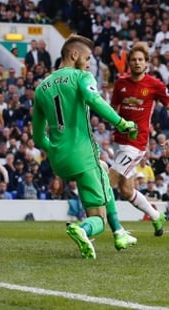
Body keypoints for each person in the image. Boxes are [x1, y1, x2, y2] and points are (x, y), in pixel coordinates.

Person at [32, 34, 140, 260]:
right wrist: (122, 123)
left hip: (58, 160)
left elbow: (38, 137)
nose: (90, 63)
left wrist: (54, 149)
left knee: (103, 168)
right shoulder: (82, 76)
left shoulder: (41, 88)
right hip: (82, 154)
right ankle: (84, 229)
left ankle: (119, 232)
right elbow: (94, 100)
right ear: (74, 55)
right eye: (88, 57)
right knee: (98, 218)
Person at [108, 42, 169, 237]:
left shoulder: (154, 85)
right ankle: (156, 215)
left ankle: (89, 225)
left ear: (146, 63)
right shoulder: (121, 83)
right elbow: (113, 110)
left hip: (136, 144)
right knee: (126, 190)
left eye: (140, 60)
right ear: (129, 63)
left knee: (108, 181)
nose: (137, 63)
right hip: (118, 141)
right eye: (133, 60)